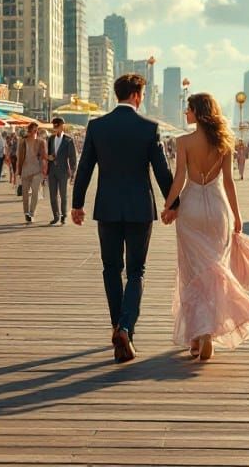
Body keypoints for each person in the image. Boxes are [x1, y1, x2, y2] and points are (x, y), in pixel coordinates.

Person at [160, 94, 249, 361]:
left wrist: (169, 206)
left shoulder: (183, 142)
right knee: (216, 269)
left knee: (192, 274)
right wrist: (237, 215)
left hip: (191, 209)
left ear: (197, 113)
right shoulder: (224, 142)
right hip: (218, 210)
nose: (185, 114)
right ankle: (207, 333)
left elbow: (179, 178)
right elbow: (229, 182)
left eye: (188, 110)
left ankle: (197, 335)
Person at [71, 73, 175, 364]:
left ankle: (118, 326)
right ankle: (127, 328)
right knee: (136, 271)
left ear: (118, 94)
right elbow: (162, 171)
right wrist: (173, 203)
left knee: (110, 268)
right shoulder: (148, 128)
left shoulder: (97, 126)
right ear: (137, 95)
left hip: (107, 207)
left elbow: (84, 169)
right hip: (140, 208)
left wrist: (77, 204)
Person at [46, 117, 78, 225]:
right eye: (54, 126)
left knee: (63, 195)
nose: (55, 128)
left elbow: (73, 158)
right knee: (52, 195)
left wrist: (73, 172)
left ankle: (64, 215)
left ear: (62, 125)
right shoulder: (50, 139)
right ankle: (56, 216)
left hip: (64, 171)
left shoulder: (68, 140)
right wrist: (48, 157)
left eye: (57, 125)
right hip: (52, 171)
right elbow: (46, 153)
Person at [17, 122, 48, 223]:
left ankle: (31, 213)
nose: (36, 132)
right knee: (25, 194)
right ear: (30, 131)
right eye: (35, 130)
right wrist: (19, 170)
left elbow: (44, 156)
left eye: (37, 130)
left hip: (36, 170)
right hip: (25, 170)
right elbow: (19, 157)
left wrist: (47, 164)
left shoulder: (40, 142)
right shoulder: (22, 142)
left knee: (35, 192)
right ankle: (26, 213)